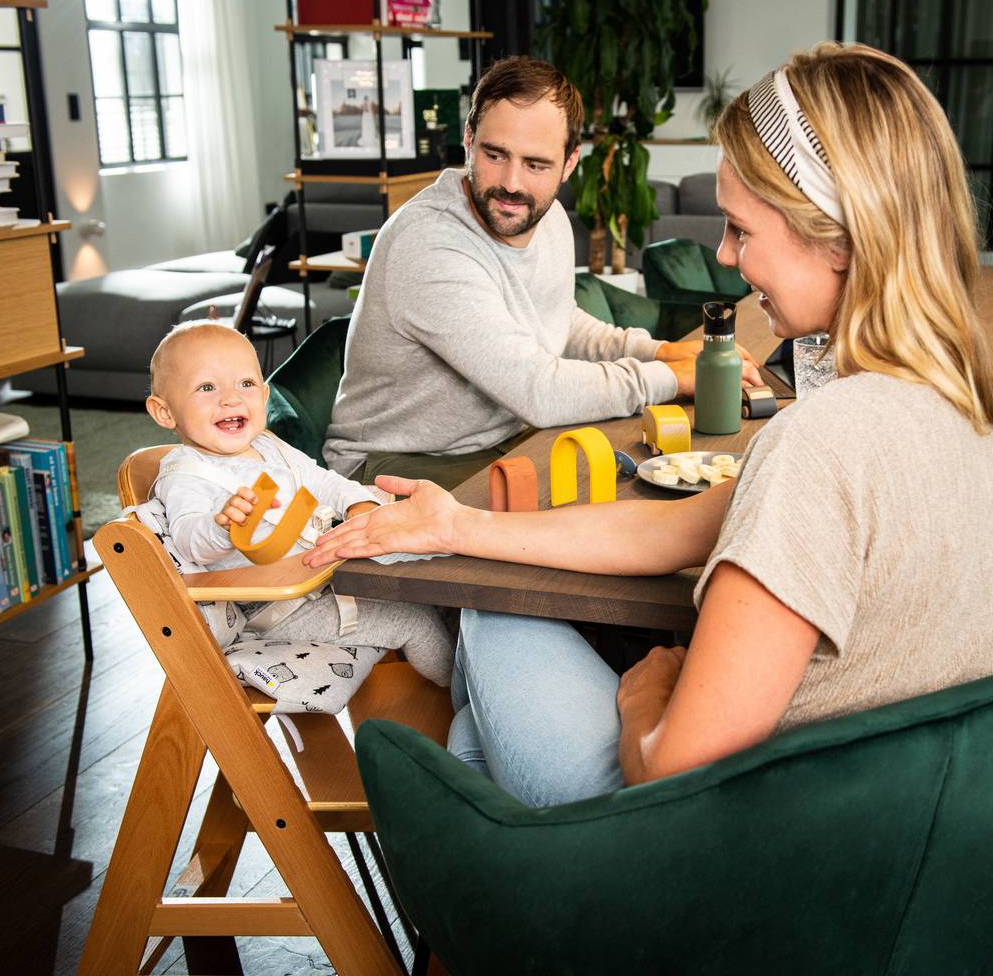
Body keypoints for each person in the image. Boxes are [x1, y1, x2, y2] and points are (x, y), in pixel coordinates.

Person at [307, 42, 993, 805]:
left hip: (690, 840)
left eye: (740, 230)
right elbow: (680, 530)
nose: (727, 259)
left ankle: (502, 880)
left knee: (493, 613)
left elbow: (670, 766)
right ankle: (490, 871)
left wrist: (649, 694)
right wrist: (456, 528)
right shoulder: (956, 401)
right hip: (860, 829)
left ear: (834, 236)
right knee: (489, 646)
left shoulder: (822, 444)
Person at [324, 56, 760, 489]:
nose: (512, 183)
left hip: (504, 439)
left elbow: (558, 320)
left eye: (536, 165)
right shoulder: (429, 244)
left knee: (655, 477)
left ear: (570, 163)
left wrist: (659, 352)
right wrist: (670, 378)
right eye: (495, 154)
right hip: (395, 468)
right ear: (468, 138)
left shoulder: (543, 217)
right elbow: (539, 391)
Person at [145, 321, 453, 714]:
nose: (230, 400)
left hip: (326, 577)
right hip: (282, 610)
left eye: (245, 384)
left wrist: (357, 505)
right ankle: (463, 704)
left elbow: (323, 481)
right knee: (415, 620)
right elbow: (190, 539)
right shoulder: (186, 472)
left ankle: (448, 689)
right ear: (164, 411)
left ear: (265, 393)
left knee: (438, 578)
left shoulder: (268, 446)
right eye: (207, 388)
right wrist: (222, 527)